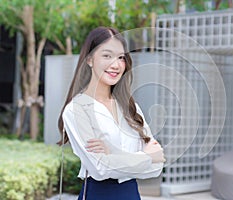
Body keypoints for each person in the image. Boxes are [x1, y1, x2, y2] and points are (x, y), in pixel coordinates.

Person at [57, 27, 165, 200]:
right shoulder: (77, 110)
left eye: (121, 57)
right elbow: (100, 169)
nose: (116, 65)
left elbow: (157, 165)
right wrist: (146, 157)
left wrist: (113, 153)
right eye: (107, 55)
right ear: (90, 59)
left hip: (132, 194)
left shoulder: (132, 109)